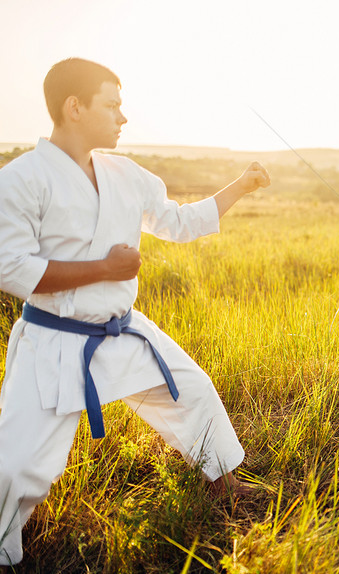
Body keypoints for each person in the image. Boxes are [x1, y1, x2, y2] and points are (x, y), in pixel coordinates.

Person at [0, 58, 270, 566]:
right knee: (18, 468)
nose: (124, 117)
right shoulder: (21, 180)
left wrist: (240, 186)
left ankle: (224, 483)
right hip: (54, 341)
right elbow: (10, 268)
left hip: (122, 331)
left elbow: (179, 222)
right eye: (113, 104)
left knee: (192, 391)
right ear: (73, 107)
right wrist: (104, 268)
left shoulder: (124, 173)